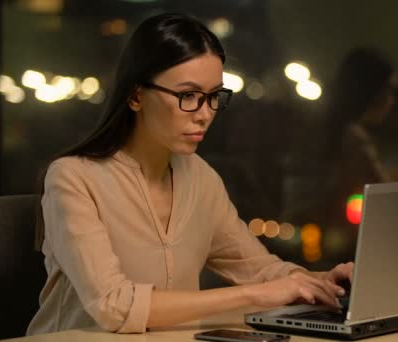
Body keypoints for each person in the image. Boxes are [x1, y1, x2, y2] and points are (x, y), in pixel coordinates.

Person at [27, 13, 353, 335]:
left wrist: (321, 282)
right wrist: (257, 295)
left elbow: (259, 269)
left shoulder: (200, 178)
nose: (205, 114)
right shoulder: (72, 177)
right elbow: (115, 306)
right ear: (136, 95)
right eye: (189, 96)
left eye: (214, 97)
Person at [323, 48, 397, 227]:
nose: (392, 100)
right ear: (372, 91)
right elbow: (386, 194)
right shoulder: (353, 137)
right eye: (389, 89)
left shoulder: (328, 130)